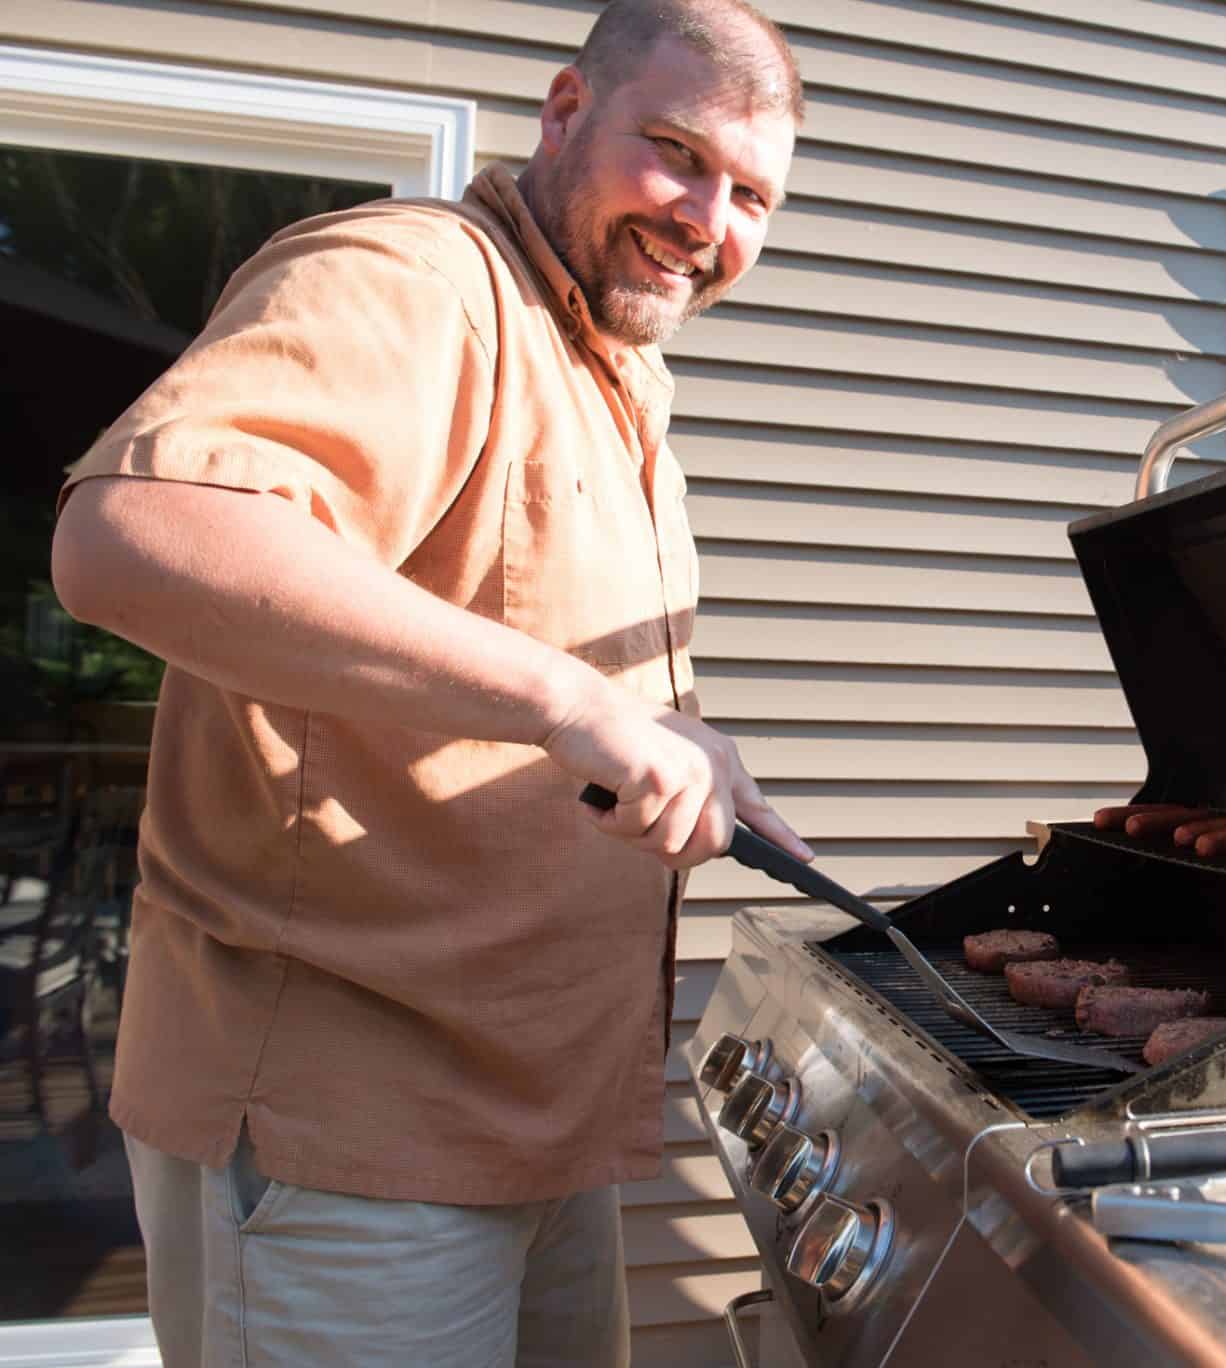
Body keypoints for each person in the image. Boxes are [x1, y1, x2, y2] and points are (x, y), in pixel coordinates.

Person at [47, 2, 807, 1362]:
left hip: (540, 1123)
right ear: (566, 113)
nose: (709, 218)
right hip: (347, 1143)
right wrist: (578, 705)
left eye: (752, 193)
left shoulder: (610, 384)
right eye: (680, 155)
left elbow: (485, 658)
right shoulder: (419, 281)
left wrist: (677, 738)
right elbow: (132, 538)